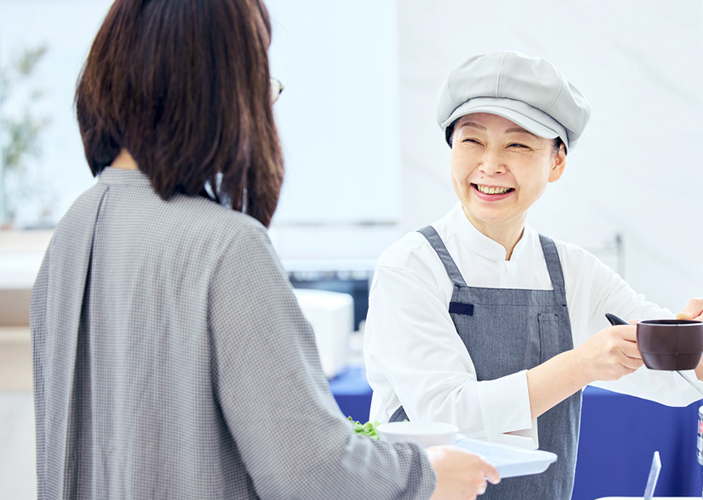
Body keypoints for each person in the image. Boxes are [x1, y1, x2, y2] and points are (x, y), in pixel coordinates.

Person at [30, 1, 499, 498]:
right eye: (261, 84)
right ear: (221, 89)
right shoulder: (226, 247)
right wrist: (426, 475)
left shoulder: (72, 231)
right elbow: (312, 470)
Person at [363, 51, 703, 500]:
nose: (490, 165)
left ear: (556, 162)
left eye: (517, 145)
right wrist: (579, 366)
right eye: (472, 141)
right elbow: (447, 413)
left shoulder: (573, 272)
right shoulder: (409, 267)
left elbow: (675, 383)